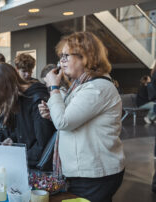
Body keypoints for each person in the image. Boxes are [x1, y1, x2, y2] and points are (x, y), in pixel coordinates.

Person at [39, 32, 125, 202]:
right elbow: (69, 119)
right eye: (61, 56)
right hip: (86, 172)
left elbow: (64, 122)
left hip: (95, 175)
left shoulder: (97, 88)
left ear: (86, 57)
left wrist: (54, 88)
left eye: (66, 56)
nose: (61, 62)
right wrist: (53, 115)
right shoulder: (82, 86)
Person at [0, 63, 55, 168]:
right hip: (26, 162)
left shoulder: (36, 99)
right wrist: (11, 139)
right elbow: (24, 132)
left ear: (6, 88)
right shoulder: (20, 99)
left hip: (39, 168)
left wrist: (15, 158)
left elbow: (43, 144)